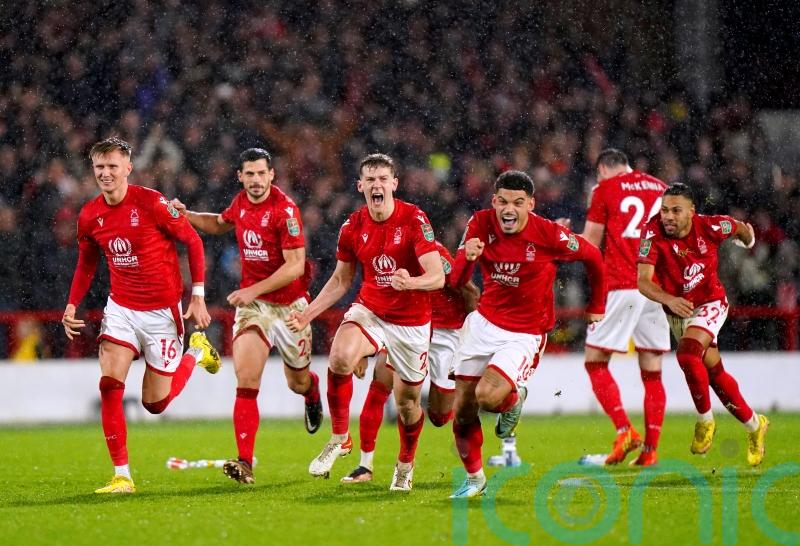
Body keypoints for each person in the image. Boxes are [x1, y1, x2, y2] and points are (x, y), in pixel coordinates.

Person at [62, 137, 220, 494]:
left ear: (128, 169)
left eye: (112, 166)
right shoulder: (89, 215)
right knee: (109, 384)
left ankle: (196, 353)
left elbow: (193, 241)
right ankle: (122, 476)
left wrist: (197, 296)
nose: (105, 173)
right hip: (121, 309)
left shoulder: (152, 203)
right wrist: (72, 304)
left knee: (155, 404)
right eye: (100, 167)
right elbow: (86, 263)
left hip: (162, 313)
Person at [286, 153, 444, 491]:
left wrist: (412, 282)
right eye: (370, 179)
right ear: (360, 186)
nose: (376, 185)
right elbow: (341, 280)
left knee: (407, 404)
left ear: (394, 184)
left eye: (383, 179)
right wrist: (308, 313)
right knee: (340, 357)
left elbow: (437, 276)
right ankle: (340, 438)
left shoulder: (414, 219)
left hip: (411, 321)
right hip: (371, 310)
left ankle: (405, 465)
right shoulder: (352, 226)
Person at [448, 170, 606, 498]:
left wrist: (597, 304)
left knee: (487, 396)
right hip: (484, 323)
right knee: (462, 408)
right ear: (494, 201)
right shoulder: (479, 224)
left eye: (518, 203)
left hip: (524, 333)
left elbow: (593, 254)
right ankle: (475, 479)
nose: (509, 209)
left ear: (530, 205)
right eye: (503, 202)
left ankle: (512, 399)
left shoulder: (548, 234)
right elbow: (456, 281)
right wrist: (466, 258)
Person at [171, 147, 321, 485]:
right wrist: (186, 214)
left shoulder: (285, 210)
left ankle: (312, 391)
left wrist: (254, 289)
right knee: (247, 378)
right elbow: (218, 224)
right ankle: (244, 462)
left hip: (291, 306)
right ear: (240, 176)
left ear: (272, 175)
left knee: (297, 382)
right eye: (249, 174)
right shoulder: (240, 203)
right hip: (254, 308)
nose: (255, 180)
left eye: (261, 173)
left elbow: (295, 266)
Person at [637, 182, 769, 466]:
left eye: (676, 210)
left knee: (687, 355)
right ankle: (755, 425)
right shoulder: (651, 232)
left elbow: (740, 228)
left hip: (710, 303)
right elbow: (643, 281)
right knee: (714, 374)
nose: (668, 216)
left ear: (691, 212)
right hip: (678, 308)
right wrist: (669, 299)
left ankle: (705, 421)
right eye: (664, 210)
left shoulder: (711, 226)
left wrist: (748, 240)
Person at [340, 240, 480, 484]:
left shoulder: (435, 253)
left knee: (439, 416)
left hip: (445, 334)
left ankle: (478, 397)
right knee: (380, 385)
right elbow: (372, 296)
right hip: (407, 326)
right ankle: (365, 466)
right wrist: (363, 352)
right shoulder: (384, 251)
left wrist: (470, 337)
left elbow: (470, 291)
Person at [577, 149, 670, 467]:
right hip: (656, 286)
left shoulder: (604, 188)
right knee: (652, 371)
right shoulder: (660, 187)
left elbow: (590, 241)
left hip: (623, 284)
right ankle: (650, 450)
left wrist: (561, 243)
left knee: (595, 361)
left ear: (603, 168)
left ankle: (624, 429)